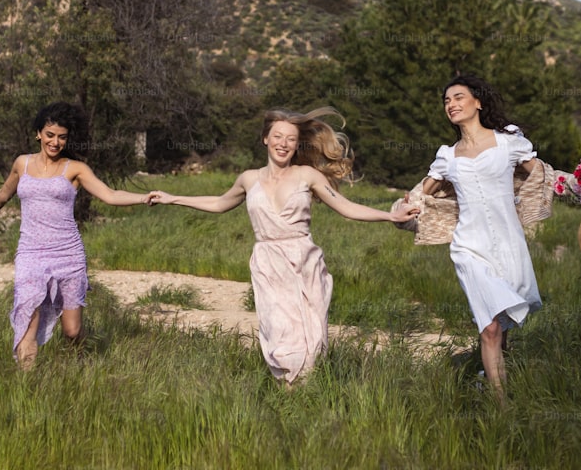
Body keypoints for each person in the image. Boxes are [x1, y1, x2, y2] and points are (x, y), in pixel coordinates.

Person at [148, 107, 419, 387]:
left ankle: (304, 393)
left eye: (290, 139)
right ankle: (286, 387)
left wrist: (390, 216)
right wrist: (173, 198)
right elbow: (219, 203)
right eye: (277, 136)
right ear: (265, 138)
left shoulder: (307, 176)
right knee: (278, 331)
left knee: (310, 334)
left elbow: (346, 207)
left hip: (305, 261)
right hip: (268, 262)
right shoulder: (249, 178)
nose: (284, 143)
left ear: (297, 144)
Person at [0, 102, 153, 370]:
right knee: (28, 315)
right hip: (30, 253)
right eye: (50, 135)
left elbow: (109, 194)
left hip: (68, 254)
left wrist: (143, 197)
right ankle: (26, 386)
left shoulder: (75, 169)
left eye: (62, 137)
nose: (55, 142)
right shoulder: (21, 164)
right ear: (39, 133)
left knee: (72, 331)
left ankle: (79, 364)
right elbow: (4, 192)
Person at [419, 75, 542, 402]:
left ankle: (488, 378)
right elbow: (419, 193)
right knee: (489, 328)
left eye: (458, 97)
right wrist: (401, 209)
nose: (451, 105)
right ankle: (501, 407)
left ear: (479, 102)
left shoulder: (508, 142)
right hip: (468, 247)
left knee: (500, 326)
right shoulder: (447, 155)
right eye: (446, 101)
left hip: (508, 245)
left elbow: (542, 174)